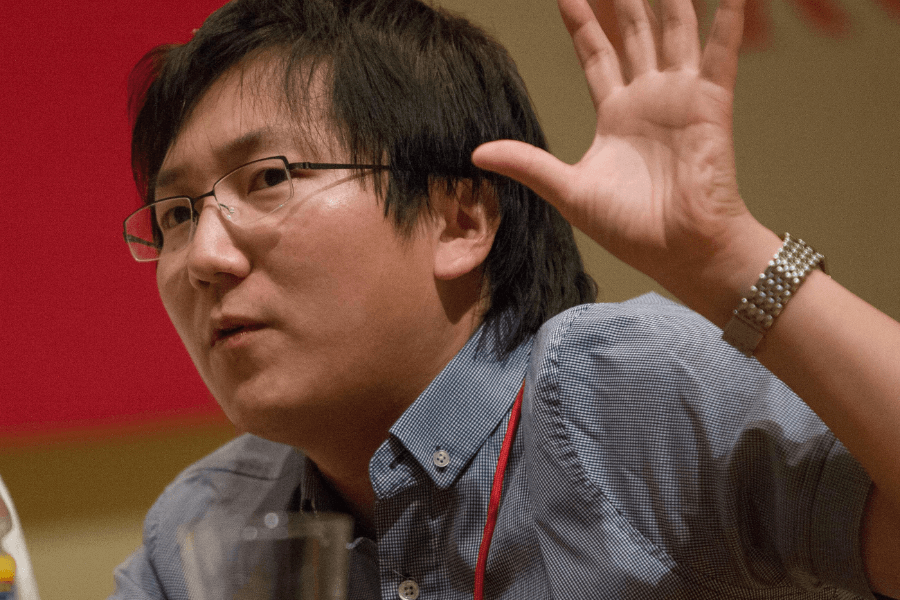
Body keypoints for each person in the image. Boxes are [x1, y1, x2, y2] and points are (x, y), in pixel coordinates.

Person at [113, 0, 900, 597]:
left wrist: (728, 259)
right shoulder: (201, 527)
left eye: (270, 179)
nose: (206, 257)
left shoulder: (621, 391)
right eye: (178, 214)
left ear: (459, 219)